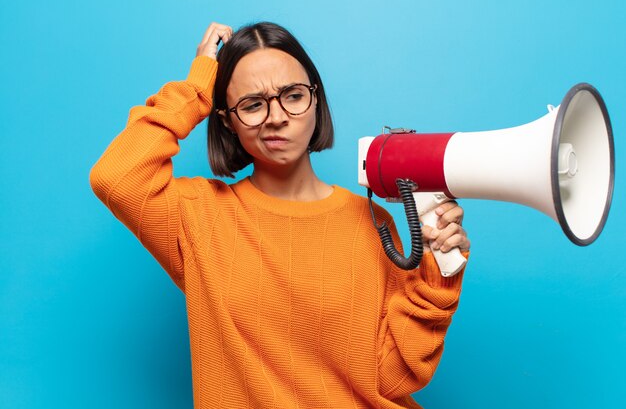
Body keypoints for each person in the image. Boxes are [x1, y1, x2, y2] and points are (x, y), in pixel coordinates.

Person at [90, 21, 471, 409]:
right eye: (252, 104)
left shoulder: (372, 222)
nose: (276, 117)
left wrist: (438, 272)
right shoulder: (198, 216)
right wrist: (196, 87)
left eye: (292, 95)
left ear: (315, 99)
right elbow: (116, 177)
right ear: (227, 120)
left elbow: (393, 379)